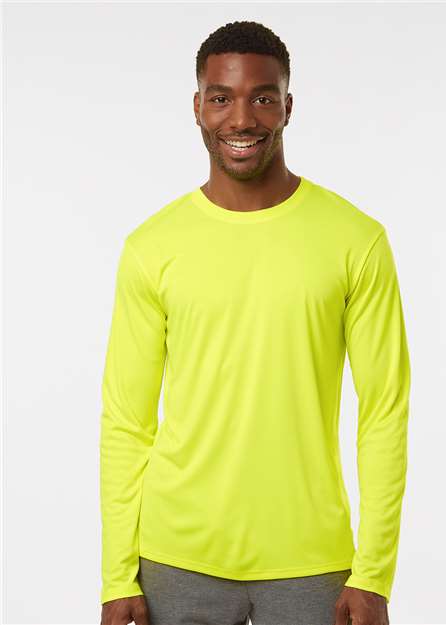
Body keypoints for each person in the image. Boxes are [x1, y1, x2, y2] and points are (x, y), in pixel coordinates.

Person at [99, 20, 411, 625]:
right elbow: (126, 422)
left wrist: (374, 573)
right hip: (173, 560)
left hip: (313, 563)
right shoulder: (150, 247)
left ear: (288, 107)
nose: (241, 119)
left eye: (262, 98)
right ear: (197, 107)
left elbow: (384, 413)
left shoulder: (357, 240)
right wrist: (117, 575)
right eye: (221, 98)